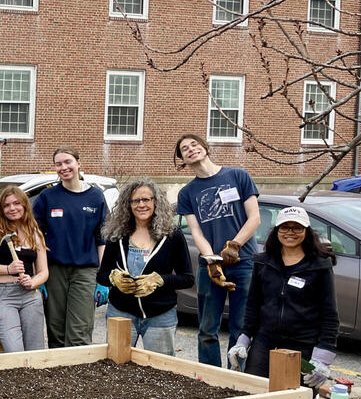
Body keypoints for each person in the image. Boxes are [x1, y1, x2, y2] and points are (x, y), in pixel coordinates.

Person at [174, 133, 261, 367]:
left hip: (243, 263)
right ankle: (210, 378)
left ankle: (238, 375)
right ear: (182, 159)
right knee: (207, 328)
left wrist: (234, 245)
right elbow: (196, 232)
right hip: (210, 266)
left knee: (241, 327)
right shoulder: (187, 193)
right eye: (184, 149)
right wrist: (211, 259)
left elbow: (254, 218)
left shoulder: (238, 176)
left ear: (205, 147)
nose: (191, 149)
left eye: (194, 144)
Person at [228, 206, 338, 385]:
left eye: (297, 228)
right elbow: (253, 306)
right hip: (265, 342)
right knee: (254, 393)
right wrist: (243, 340)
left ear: (306, 231)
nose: (290, 232)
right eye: (285, 227)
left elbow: (330, 315)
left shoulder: (320, 266)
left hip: (303, 345)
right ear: (277, 230)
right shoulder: (263, 262)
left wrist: (323, 358)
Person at [98, 179, 195, 355]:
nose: (141, 205)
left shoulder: (172, 235)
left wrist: (160, 280)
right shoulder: (116, 235)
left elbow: (187, 278)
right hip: (121, 312)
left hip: (161, 315)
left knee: (160, 370)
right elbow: (102, 275)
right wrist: (114, 278)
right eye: (135, 201)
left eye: (146, 199)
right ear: (127, 204)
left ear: (156, 201)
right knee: (116, 366)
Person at [32, 147, 109, 347]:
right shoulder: (47, 197)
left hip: (85, 271)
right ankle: (57, 376)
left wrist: (102, 277)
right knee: (56, 328)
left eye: (68, 162)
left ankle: (79, 374)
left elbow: (102, 238)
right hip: (55, 270)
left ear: (78, 163)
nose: (63, 167)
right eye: (58, 164)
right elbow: (36, 238)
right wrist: (38, 275)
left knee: (79, 331)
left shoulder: (96, 197)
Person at [0, 185, 49, 353]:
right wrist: (8, 269)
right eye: (6, 205)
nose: (12, 208)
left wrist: (33, 281)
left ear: (25, 205)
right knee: (15, 351)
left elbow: (43, 271)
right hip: (1, 296)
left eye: (16, 203)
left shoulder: (35, 232)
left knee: (36, 350)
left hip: (30, 296)